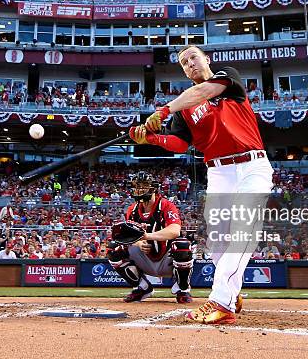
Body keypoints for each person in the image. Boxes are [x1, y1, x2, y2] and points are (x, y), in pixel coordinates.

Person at [130, 44, 274, 324]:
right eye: (184, 63)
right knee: (218, 241)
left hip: (251, 165)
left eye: (193, 57)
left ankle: (221, 301)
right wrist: (150, 139)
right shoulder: (185, 111)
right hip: (218, 172)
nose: (190, 64)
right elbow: (179, 144)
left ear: (206, 59)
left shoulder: (226, 77)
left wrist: (163, 110)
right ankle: (231, 291)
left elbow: (201, 92)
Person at [107, 172, 193, 304]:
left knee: (182, 244)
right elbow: (126, 237)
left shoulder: (166, 205)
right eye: (137, 186)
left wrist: (147, 236)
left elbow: (175, 230)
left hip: (167, 258)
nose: (140, 189)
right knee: (114, 247)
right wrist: (139, 243)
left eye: (144, 185)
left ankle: (182, 289)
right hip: (144, 257)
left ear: (153, 187)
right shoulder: (132, 209)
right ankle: (142, 287)